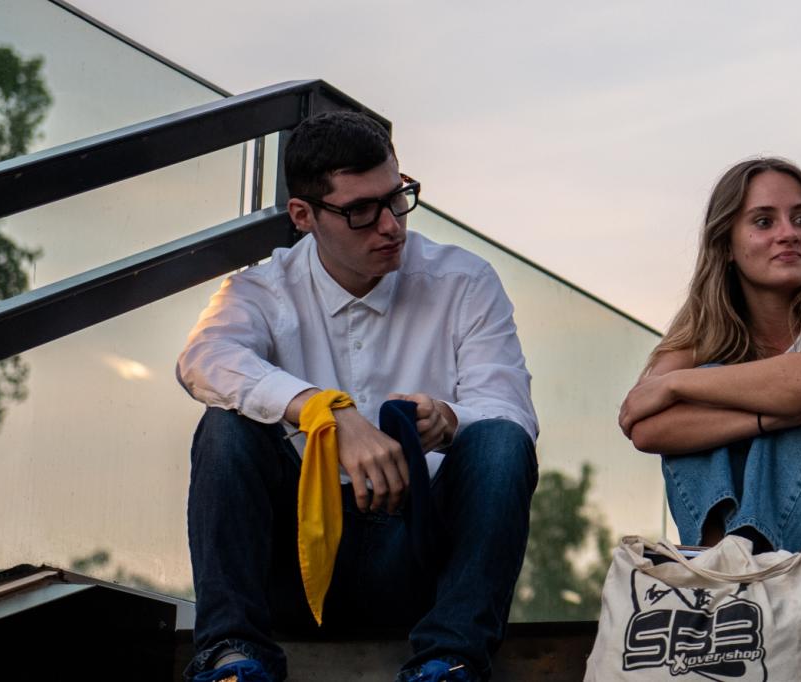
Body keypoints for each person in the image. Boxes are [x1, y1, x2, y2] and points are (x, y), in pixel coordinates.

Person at [176, 111, 538, 682]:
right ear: (303, 216)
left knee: (500, 442)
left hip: (415, 555)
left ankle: (452, 660)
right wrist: (326, 411)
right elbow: (203, 359)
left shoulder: (464, 280)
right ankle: (232, 656)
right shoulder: (262, 289)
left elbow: (509, 409)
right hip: (293, 562)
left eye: (397, 198)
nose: (390, 225)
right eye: (361, 212)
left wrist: (447, 419)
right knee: (225, 428)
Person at [619, 157, 801, 553]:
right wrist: (772, 415)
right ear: (726, 245)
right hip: (725, 555)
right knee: (745, 390)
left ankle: (753, 564)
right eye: (764, 222)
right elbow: (645, 428)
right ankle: (722, 563)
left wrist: (678, 384)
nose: (788, 234)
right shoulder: (701, 332)